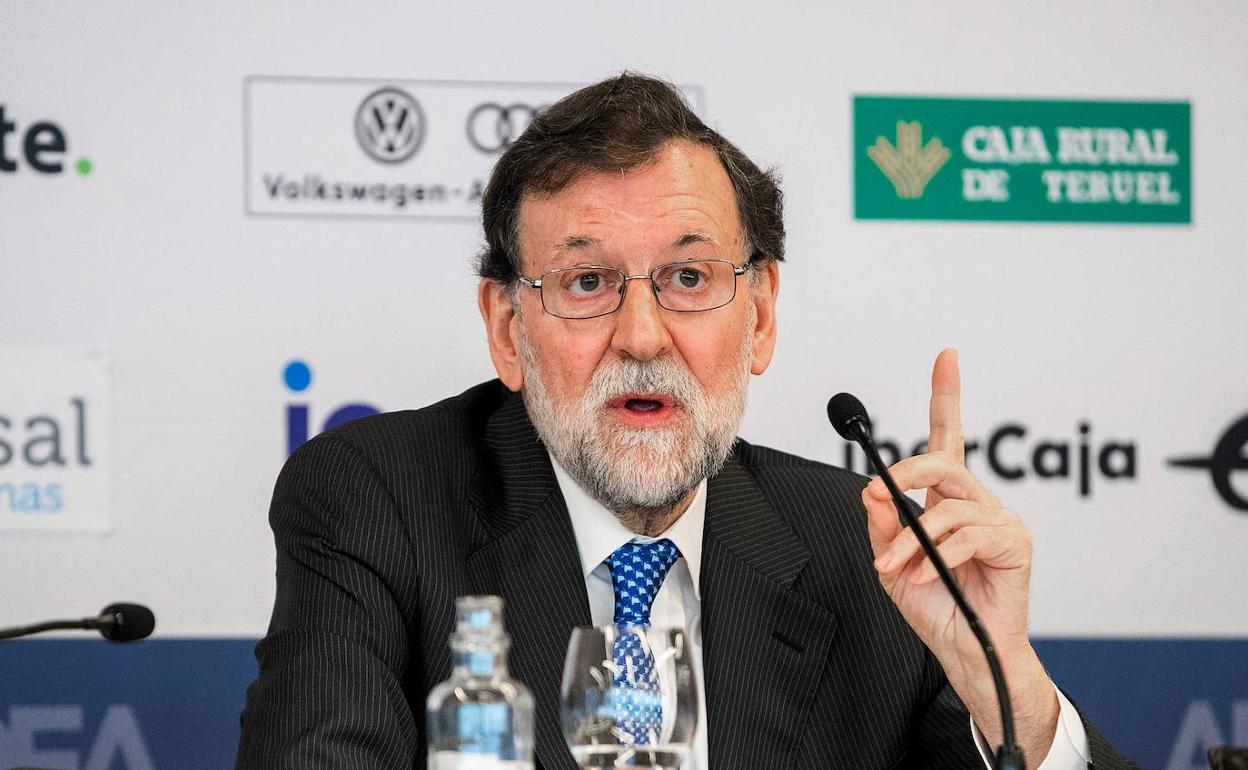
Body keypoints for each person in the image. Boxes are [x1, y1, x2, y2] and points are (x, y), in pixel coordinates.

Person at [236, 73, 1134, 769]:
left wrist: (1005, 685)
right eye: (588, 282)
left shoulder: (875, 554)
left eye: (689, 278)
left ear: (761, 315)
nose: (642, 335)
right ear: (508, 329)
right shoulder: (377, 502)